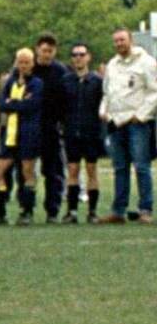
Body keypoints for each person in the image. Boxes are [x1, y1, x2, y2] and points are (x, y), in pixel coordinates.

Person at [101, 27, 157, 221]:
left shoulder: (146, 62)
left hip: (137, 123)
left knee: (141, 166)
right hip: (116, 121)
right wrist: (104, 112)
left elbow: (154, 91)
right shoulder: (112, 64)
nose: (119, 44)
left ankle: (146, 209)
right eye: (116, 41)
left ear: (130, 40)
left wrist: (141, 115)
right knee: (120, 168)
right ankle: (118, 211)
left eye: (122, 40)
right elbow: (107, 92)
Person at [0, 46, 45, 225]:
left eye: (26, 62)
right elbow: (2, 104)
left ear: (32, 63)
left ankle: (26, 211)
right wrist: (17, 103)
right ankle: (1, 211)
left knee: (27, 172)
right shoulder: (10, 82)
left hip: (28, 132)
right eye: (20, 62)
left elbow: (31, 106)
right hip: (10, 133)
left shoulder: (36, 83)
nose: (23, 66)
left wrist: (13, 103)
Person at [31, 33, 75, 221]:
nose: (47, 54)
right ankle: (27, 208)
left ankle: (52, 209)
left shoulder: (62, 71)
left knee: (53, 170)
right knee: (26, 168)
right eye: (44, 50)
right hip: (30, 125)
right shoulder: (28, 68)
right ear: (37, 50)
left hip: (51, 126)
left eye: (50, 51)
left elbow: (68, 100)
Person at [64, 42, 105, 222]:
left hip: (91, 132)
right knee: (72, 169)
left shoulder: (97, 82)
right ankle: (72, 211)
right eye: (74, 55)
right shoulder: (66, 81)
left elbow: (103, 106)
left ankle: (92, 211)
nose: (78, 58)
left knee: (91, 170)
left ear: (88, 57)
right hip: (72, 131)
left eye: (81, 54)